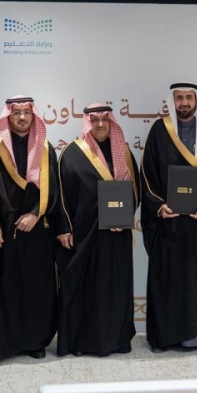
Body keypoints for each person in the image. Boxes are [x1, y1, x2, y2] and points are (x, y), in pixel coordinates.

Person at [140, 82, 197, 354]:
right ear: (173, 101)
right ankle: (167, 337)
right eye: (179, 98)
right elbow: (147, 175)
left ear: (196, 101)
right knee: (169, 280)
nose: (184, 103)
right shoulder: (160, 130)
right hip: (169, 223)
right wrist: (159, 206)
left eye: (189, 98)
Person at [55, 104, 140, 357]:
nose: (101, 124)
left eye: (105, 119)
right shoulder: (72, 152)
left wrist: (125, 216)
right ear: (87, 122)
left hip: (117, 235)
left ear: (111, 122)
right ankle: (82, 342)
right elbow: (60, 195)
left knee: (116, 288)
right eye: (95, 120)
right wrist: (64, 229)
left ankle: (119, 339)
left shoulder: (123, 151)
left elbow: (135, 191)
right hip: (84, 235)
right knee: (86, 289)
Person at [0, 95, 59, 361]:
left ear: (33, 115)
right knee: (8, 287)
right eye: (17, 113)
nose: (22, 117)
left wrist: (35, 214)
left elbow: (54, 188)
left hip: (37, 231)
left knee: (36, 286)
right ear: (8, 117)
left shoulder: (46, 148)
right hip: (4, 230)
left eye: (26, 112)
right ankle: (7, 343)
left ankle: (35, 341)